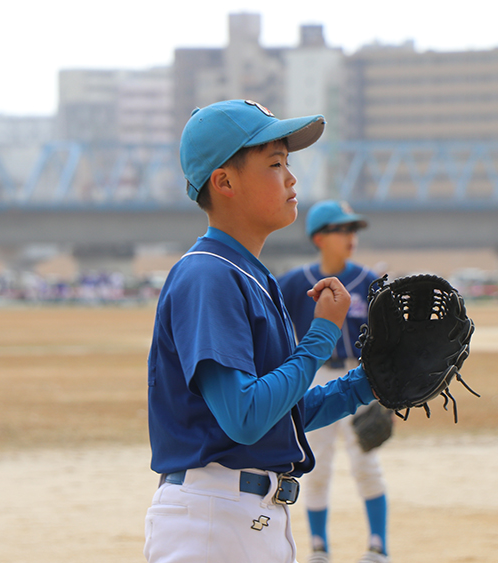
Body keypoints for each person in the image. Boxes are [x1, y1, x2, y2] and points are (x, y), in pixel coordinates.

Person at [144, 100, 377, 563]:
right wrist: (321, 336)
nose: (291, 178)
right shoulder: (209, 274)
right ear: (224, 181)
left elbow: (278, 414)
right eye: (274, 163)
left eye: (287, 163)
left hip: (241, 516)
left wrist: (366, 382)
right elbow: (245, 415)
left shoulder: (247, 274)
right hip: (213, 520)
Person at [279, 201, 392, 563]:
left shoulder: (369, 281)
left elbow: (387, 340)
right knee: (315, 463)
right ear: (319, 238)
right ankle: (318, 548)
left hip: (359, 377)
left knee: (365, 462)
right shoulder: (294, 284)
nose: (351, 236)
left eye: (353, 229)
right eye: (342, 229)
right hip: (313, 377)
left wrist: (386, 396)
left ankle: (378, 546)